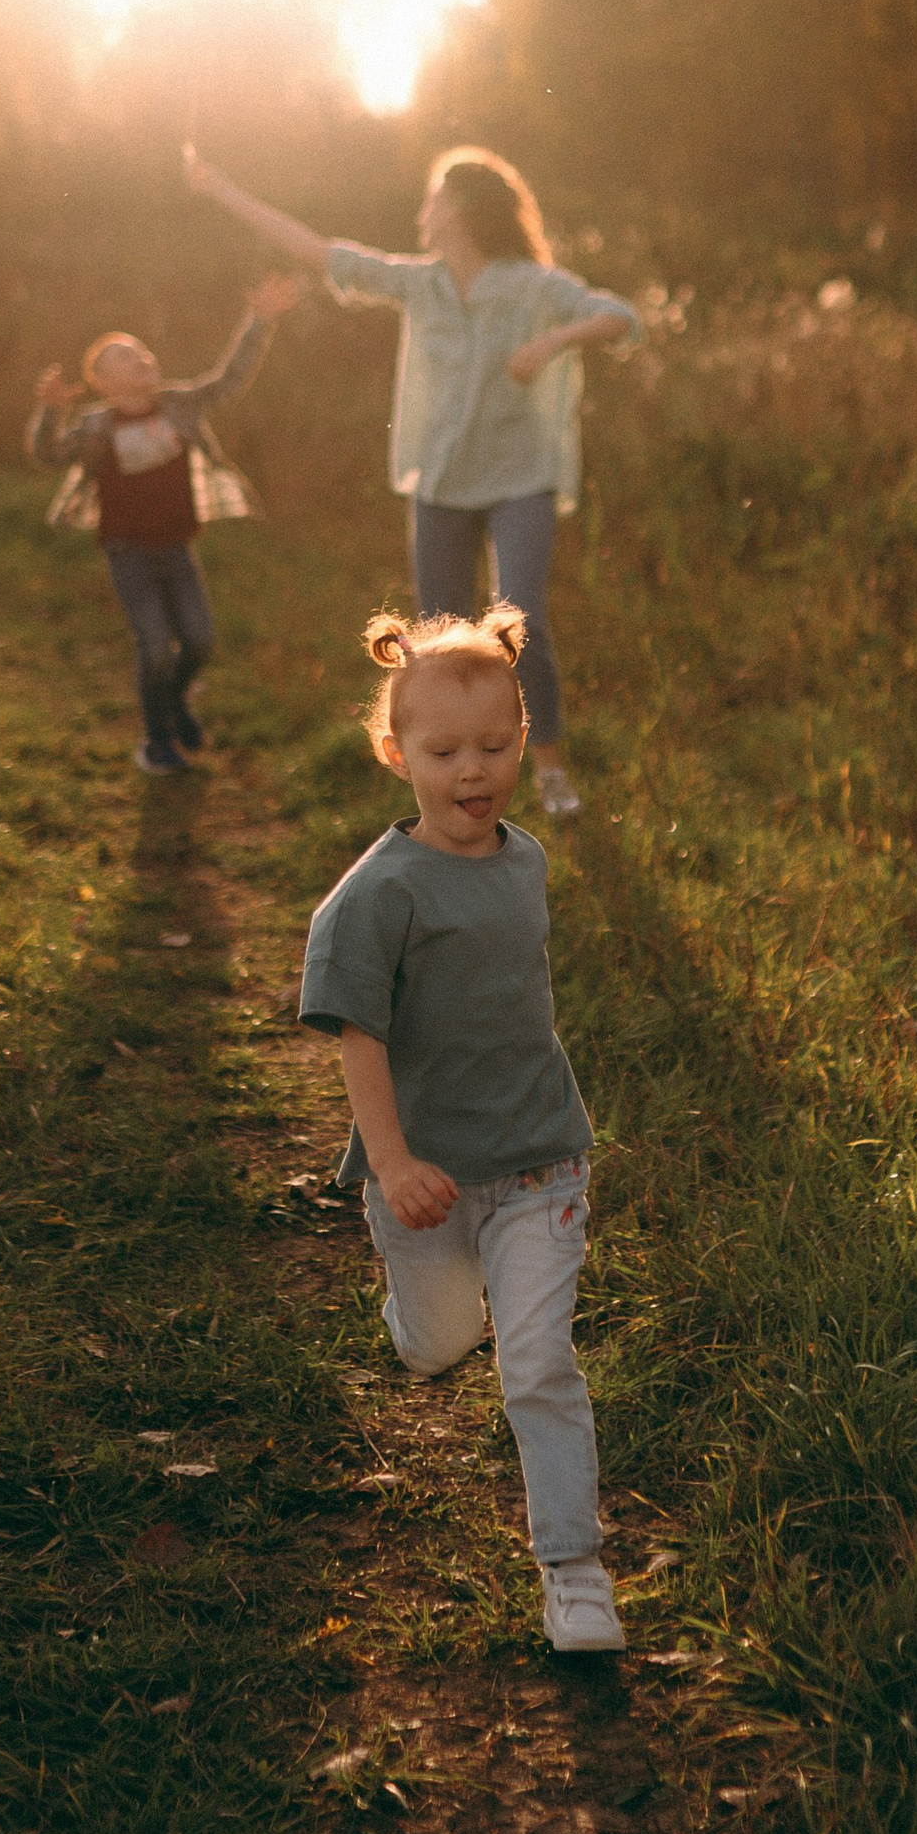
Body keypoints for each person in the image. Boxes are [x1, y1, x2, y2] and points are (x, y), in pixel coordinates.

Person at [298, 602, 622, 1652]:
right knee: (439, 1342)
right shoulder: (374, 896)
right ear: (396, 752)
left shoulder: (523, 857)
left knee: (538, 1362)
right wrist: (389, 1162)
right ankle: (419, 1313)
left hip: (539, 1157)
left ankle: (573, 1568)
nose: (471, 770)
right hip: (426, 1179)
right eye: (443, 751)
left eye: (492, 745)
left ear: (522, 738)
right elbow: (358, 1036)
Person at [182, 141, 640, 821]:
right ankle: (446, 781)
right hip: (441, 481)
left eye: (432, 197)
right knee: (436, 643)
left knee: (525, 624)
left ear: (456, 206)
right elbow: (319, 251)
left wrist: (548, 343)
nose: (422, 209)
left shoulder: (530, 283)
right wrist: (219, 188)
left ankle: (548, 770)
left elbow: (620, 318)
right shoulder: (418, 282)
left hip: (522, 477)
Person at [27, 276, 296, 773]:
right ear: (103, 383)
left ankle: (174, 700)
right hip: (127, 552)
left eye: (143, 351)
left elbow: (228, 380)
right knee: (153, 645)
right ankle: (156, 741)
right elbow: (47, 455)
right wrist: (50, 410)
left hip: (177, 547)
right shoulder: (95, 428)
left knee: (199, 640)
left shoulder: (177, 405)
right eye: (125, 357)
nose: (142, 359)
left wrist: (259, 319)